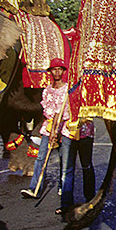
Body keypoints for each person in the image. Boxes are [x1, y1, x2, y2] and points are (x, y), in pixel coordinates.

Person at [22, 60, 75, 200]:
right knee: (41, 157)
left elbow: (63, 112)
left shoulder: (67, 90)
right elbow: (47, 111)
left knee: (64, 159)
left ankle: (63, 187)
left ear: (63, 71)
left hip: (63, 128)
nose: (57, 72)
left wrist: (56, 132)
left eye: (59, 69)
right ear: (50, 71)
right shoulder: (47, 90)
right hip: (49, 127)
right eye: (54, 69)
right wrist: (51, 130)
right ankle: (35, 188)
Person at [59, 59, 95, 219]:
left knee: (87, 166)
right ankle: (65, 203)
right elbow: (59, 111)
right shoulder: (66, 89)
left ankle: (90, 199)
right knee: (67, 168)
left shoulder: (90, 90)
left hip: (85, 133)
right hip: (69, 133)